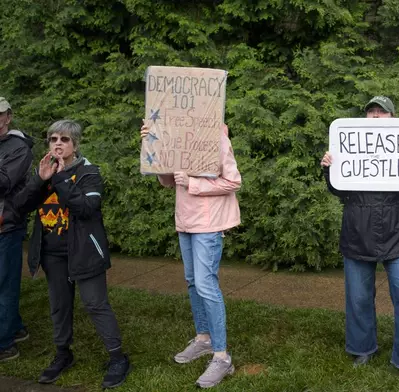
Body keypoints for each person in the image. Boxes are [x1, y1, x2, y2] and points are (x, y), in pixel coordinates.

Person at [320, 96, 399, 387]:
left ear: (393, 118)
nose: (374, 116)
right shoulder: (350, 144)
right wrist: (328, 168)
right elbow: (338, 189)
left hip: (398, 233)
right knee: (358, 297)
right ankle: (362, 348)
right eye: (370, 111)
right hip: (357, 231)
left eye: (381, 112)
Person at [14, 120, 131, 388]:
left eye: (64, 139)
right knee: (59, 305)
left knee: (95, 304)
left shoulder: (89, 172)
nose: (57, 143)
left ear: (75, 145)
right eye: (53, 139)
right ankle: (63, 354)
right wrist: (39, 180)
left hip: (85, 251)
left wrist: (59, 177)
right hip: (52, 253)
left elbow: (86, 208)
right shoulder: (45, 170)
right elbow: (20, 205)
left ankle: (117, 357)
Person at [140, 121, 241, 389]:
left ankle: (222, 357)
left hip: (209, 224)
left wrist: (194, 183)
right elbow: (166, 181)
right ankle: (204, 338)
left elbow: (234, 181)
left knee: (207, 284)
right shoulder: (177, 140)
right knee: (193, 281)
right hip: (186, 221)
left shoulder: (217, 139)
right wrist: (154, 144)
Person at [0, 97, 34, 362]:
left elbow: (4, 182)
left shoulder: (19, 148)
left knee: (4, 283)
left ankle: (4, 344)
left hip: (7, 225)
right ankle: (15, 327)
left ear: (8, 117)